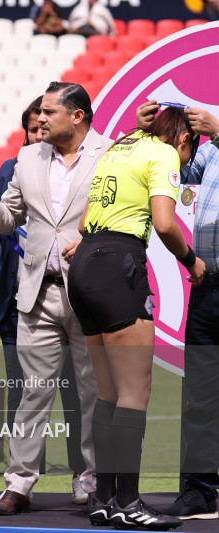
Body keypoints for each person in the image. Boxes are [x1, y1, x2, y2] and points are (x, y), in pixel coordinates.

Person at [0, 81, 112, 516]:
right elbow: (10, 216)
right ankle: (18, 485)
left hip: (89, 293)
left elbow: (123, 215)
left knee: (91, 393)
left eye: (49, 112)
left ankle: (91, 481)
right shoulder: (28, 157)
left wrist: (91, 241)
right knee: (32, 394)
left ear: (77, 116)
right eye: (40, 112)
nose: (40, 119)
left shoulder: (110, 155)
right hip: (37, 291)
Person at [68, 105, 205, 530]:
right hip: (118, 266)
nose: (185, 162)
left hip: (84, 263)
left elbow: (89, 217)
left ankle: (104, 498)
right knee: (134, 392)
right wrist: (191, 261)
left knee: (108, 393)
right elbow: (164, 223)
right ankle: (129, 503)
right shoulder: (163, 153)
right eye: (189, 154)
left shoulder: (120, 146)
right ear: (184, 139)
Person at [137, 101, 219, 521]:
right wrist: (147, 133)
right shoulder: (209, 149)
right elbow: (175, 171)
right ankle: (199, 489)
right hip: (209, 285)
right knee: (199, 395)